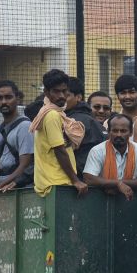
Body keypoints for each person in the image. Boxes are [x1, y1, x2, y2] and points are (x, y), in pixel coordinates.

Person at [30, 69, 88, 198]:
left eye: (64, 91)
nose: (61, 95)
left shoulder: (53, 112)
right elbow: (59, 150)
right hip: (56, 183)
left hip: (54, 182)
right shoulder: (51, 115)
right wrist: (76, 181)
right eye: (56, 91)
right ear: (46, 92)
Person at [82, 113, 137, 200]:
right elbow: (89, 179)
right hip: (101, 201)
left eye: (123, 131)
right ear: (108, 132)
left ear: (130, 133)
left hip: (130, 201)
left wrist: (115, 184)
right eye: (115, 131)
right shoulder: (97, 151)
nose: (119, 135)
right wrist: (118, 184)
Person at [0, 80, 34, 191]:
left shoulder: (25, 126)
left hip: (21, 187)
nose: (3, 102)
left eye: (8, 97)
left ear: (18, 99)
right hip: (0, 187)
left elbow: (25, 165)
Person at [66, 76, 106, 175]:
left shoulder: (76, 121)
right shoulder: (90, 120)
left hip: (78, 181)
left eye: (66, 95)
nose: (61, 98)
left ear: (78, 97)